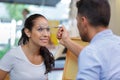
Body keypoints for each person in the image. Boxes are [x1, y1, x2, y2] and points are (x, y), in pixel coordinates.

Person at [57, 0, 120, 80]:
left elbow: (93, 54)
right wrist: (66, 40)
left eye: (77, 20)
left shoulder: (90, 53)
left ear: (83, 21)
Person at [0, 14, 54, 80]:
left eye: (48, 29)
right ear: (28, 32)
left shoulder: (45, 55)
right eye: (40, 29)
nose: (46, 34)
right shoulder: (13, 55)